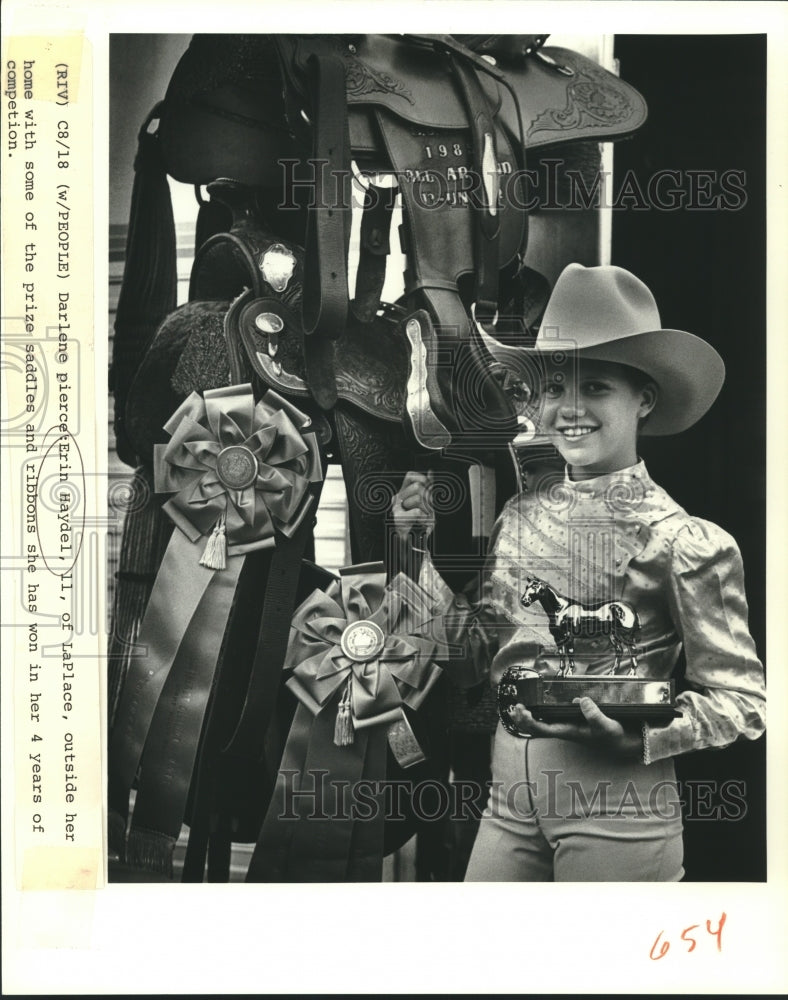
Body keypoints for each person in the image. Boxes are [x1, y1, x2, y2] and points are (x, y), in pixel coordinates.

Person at [391, 263, 766, 881]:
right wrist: (415, 552)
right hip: (507, 804)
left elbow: (743, 701)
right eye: (555, 388)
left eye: (596, 388)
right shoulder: (518, 516)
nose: (570, 409)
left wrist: (643, 738)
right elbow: (468, 662)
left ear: (643, 397)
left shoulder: (685, 542)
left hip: (617, 811)